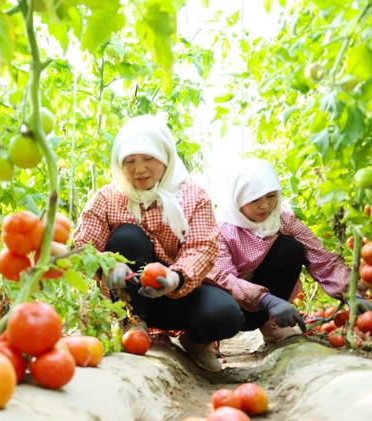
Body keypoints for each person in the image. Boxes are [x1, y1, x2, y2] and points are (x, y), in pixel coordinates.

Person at [72, 115, 244, 373]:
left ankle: (195, 341)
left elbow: (202, 247)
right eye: (129, 161)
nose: (139, 169)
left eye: (148, 159)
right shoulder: (107, 198)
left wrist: (175, 277)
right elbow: (83, 246)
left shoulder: (192, 196)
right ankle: (133, 324)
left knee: (227, 316)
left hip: (181, 295)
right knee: (126, 237)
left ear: (166, 158)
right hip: (132, 296)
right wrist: (108, 264)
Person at [204, 158, 372, 344]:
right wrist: (266, 300)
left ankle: (270, 323)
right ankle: (211, 335)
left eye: (271, 196)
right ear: (237, 199)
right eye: (254, 199)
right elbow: (223, 278)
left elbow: (322, 259)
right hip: (231, 303)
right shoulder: (220, 230)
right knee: (219, 311)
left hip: (265, 301)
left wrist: (351, 294)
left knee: (289, 248)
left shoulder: (283, 220)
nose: (265, 205)